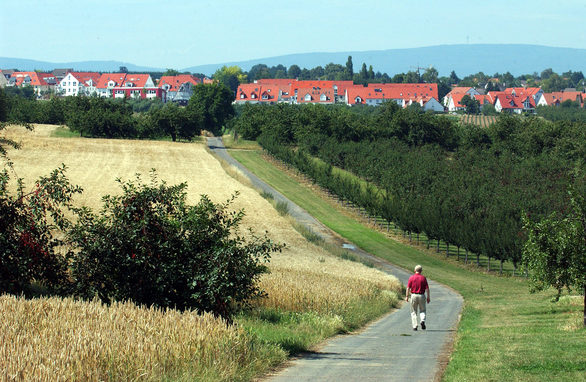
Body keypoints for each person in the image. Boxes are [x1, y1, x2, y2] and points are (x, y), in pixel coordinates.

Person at [405, 264, 430, 331]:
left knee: (413, 311)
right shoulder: (423, 278)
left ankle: (415, 326)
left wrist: (407, 296)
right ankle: (422, 320)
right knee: (422, 310)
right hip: (421, 295)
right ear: (421, 271)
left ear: (414, 270)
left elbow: (408, 288)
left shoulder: (411, 278)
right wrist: (428, 297)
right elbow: (427, 289)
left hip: (413, 295)